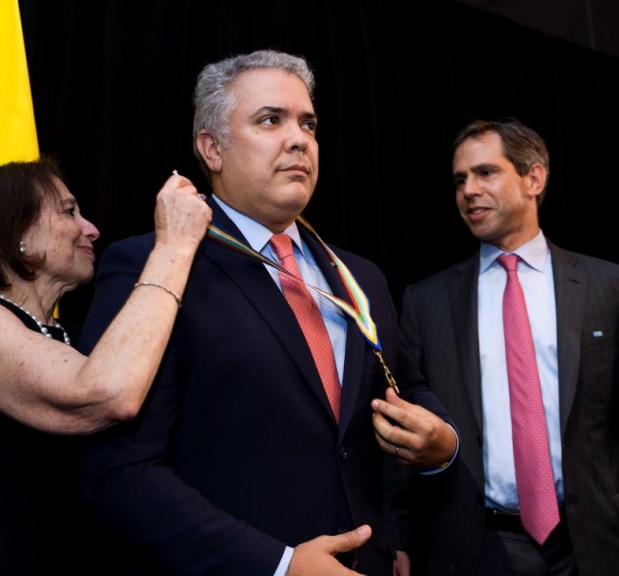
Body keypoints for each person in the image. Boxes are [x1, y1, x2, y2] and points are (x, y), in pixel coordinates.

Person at [76, 49, 458, 576]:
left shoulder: (361, 277)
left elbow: (403, 389)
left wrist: (443, 441)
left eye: (308, 123)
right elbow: (119, 471)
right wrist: (277, 564)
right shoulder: (153, 264)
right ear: (212, 148)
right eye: (270, 120)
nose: (298, 138)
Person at [396, 118, 619, 576]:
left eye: (485, 173)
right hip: (475, 548)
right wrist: (396, 541)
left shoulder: (611, 288)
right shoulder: (426, 302)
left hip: (597, 546)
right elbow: (403, 433)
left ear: (533, 178)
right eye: (460, 179)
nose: (469, 190)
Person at [0, 157, 211, 575]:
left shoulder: (74, 334)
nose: (91, 229)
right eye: (69, 211)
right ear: (15, 233)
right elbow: (104, 392)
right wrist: (174, 246)